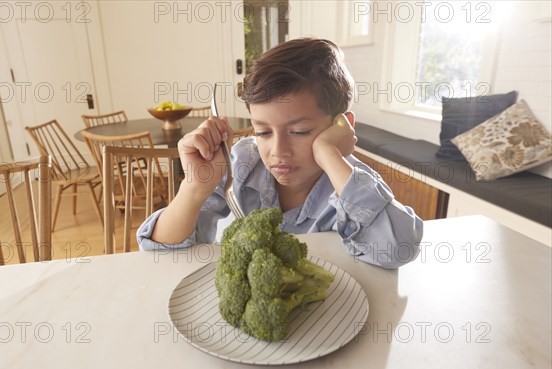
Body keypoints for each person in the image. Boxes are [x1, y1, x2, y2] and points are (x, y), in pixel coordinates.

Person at [137, 38, 423, 268]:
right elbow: (159, 250)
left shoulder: (351, 180)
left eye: (300, 132)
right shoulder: (242, 163)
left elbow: (398, 250)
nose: (278, 151)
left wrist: (328, 153)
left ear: (341, 126)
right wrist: (194, 188)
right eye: (262, 132)